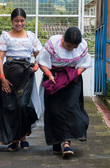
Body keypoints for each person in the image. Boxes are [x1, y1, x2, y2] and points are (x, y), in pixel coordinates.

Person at [0, 8, 42, 151]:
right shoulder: (5, 37)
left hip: (26, 74)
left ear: (25, 21)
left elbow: (39, 54)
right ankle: (14, 140)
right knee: (10, 106)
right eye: (16, 21)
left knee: (23, 105)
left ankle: (23, 137)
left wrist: (36, 65)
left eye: (22, 21)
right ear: (11, 21)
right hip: (9, 73)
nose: (19, 23)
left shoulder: (31, 36)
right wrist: (2, 77)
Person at [37, 26, 91, 158]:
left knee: (70, 108)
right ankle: (56, 141)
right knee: (54, 110)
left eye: (74, 47)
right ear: (63, 39)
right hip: (54, 77)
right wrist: (49, 74)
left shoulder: (82, 46)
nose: (71, 49)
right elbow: (42, 61)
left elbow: (84, 63)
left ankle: (67, 143)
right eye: (68, 45)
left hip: (72, 78)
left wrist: (72, 76)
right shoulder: (53, 43)